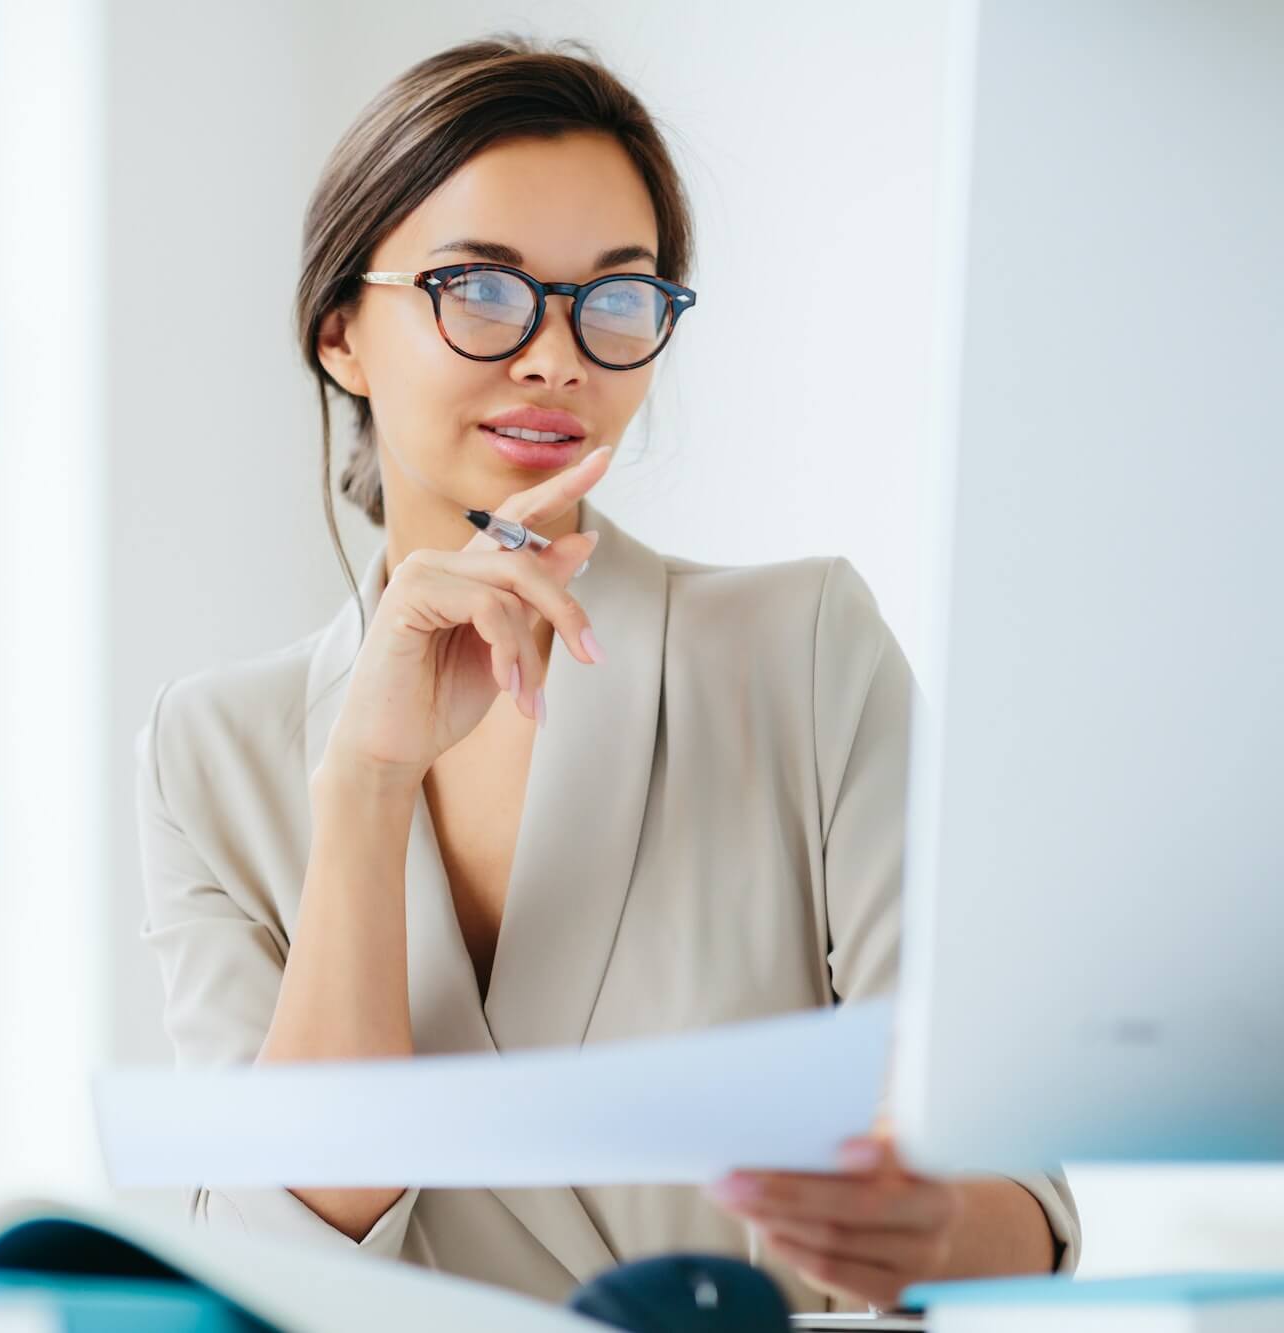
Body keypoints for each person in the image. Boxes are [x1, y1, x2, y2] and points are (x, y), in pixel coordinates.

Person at [131, 33, 1080, 1316]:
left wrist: (912, 1227)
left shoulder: (796, 648)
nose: (556, 355)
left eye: (616, 295)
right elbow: (277, 1247)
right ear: (340, 331)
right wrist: (363, 787)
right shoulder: (214, 746)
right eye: (480, 287)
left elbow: (1017, 1193)